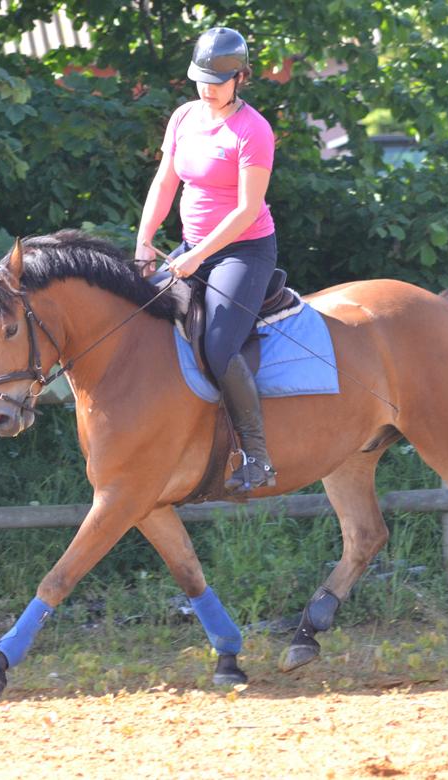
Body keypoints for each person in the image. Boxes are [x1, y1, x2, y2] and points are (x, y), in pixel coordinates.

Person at [135, 26, 278, 494]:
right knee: (140, 316)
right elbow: (164, 182)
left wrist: (196, 256)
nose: (206, 89)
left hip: (243, 250)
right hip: (191, 247)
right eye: (200, 80)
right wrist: (144, 240)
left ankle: (257, 456)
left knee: (218, 346)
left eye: (216, 82)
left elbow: (246, 209)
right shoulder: (183, 118)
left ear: (241, 78)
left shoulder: (253, 129)